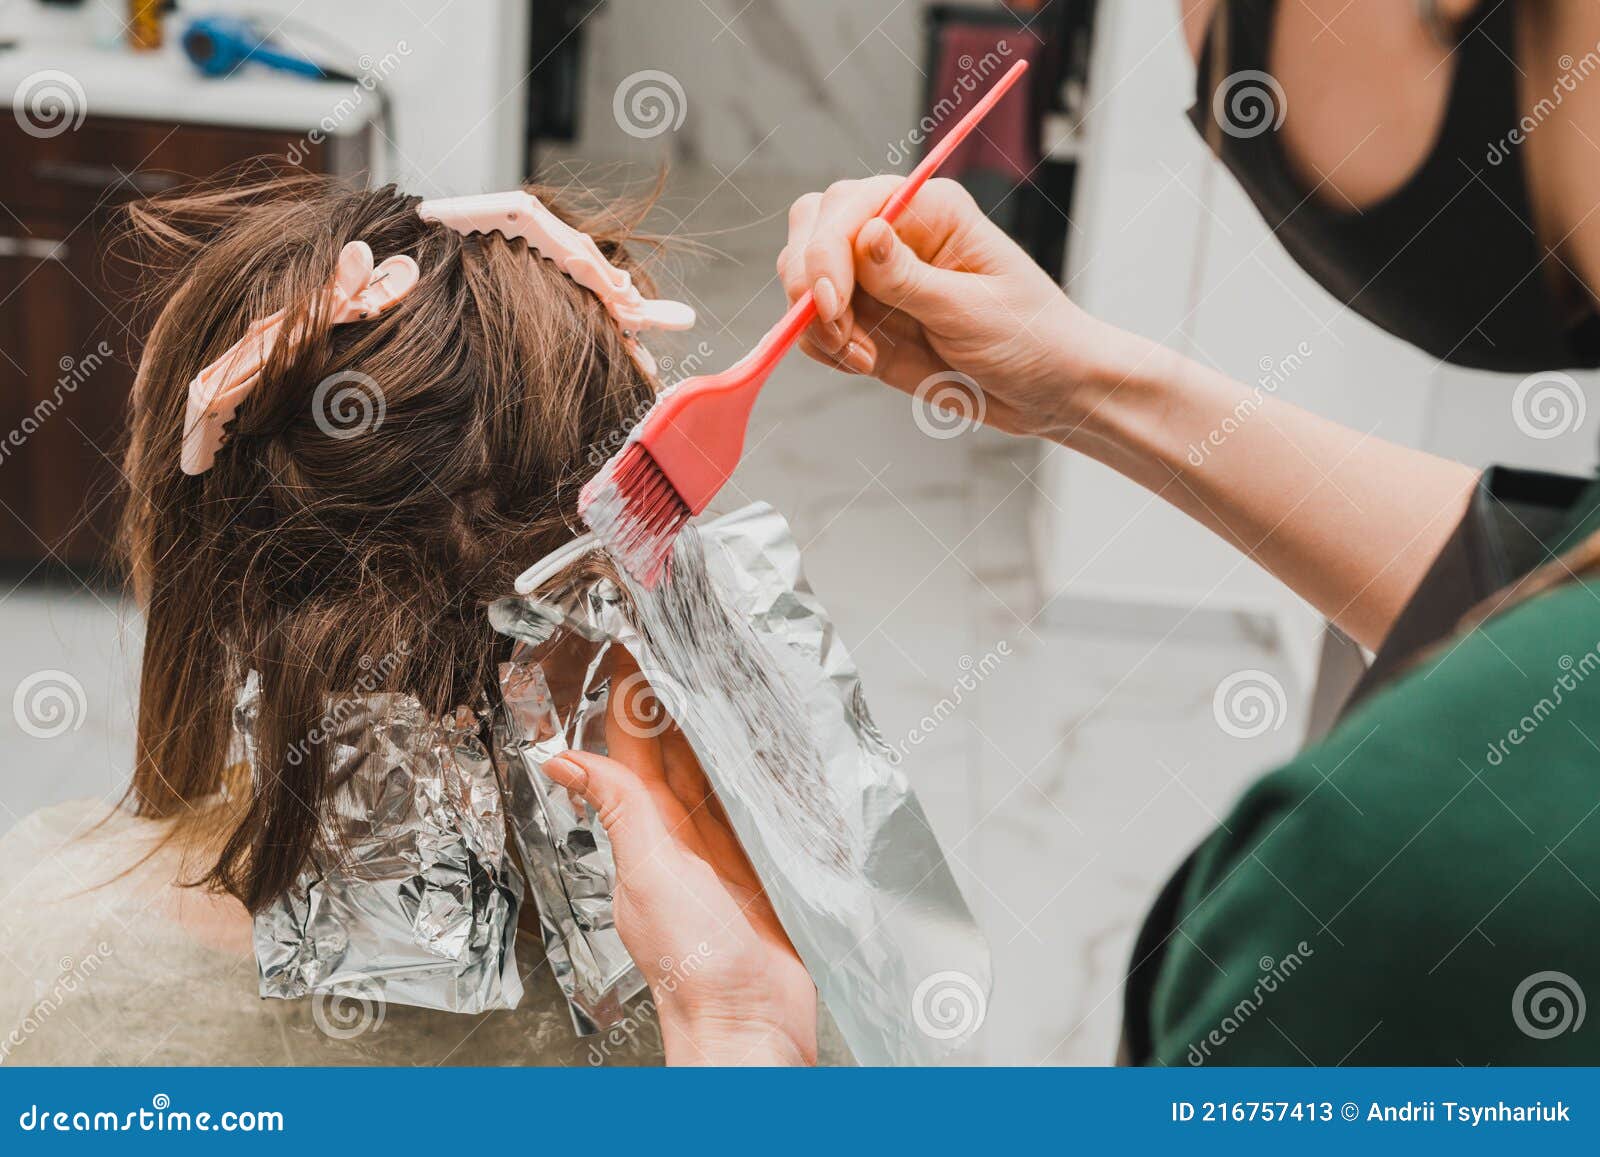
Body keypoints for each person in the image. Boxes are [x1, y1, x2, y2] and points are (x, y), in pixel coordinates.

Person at [635, 0, 1600, 1065]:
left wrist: (737, 1034)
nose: (1197, 43)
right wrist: (1082, 383)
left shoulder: (1414, 866)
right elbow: (1534, 572)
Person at [0, 174, 833, 1067]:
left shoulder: (37, 952)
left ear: (212, 579)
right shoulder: (756, 980)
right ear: (616, 590)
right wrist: (744, 1034)